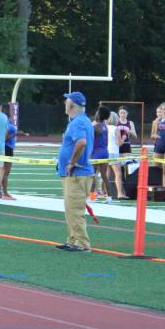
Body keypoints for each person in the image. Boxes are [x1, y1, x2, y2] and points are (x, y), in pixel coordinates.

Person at [56, 92, 95, 252]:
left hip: (77, 174)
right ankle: (73, 239)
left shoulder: (78, 122)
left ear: (72, 105)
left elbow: (81, 142)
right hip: (75, 174)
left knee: (75, 210)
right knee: (71, 209)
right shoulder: (81, 121)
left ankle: (82, 243)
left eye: (66, 102)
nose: (65, 104)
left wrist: (72, 162)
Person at [90, 106, 111, 198]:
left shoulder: (95, 127)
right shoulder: (105, 126)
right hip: (105, 151)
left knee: (92, 175)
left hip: (96, 152)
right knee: (104, 176)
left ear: (99, 115)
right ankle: (109, 197)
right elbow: (106, 142)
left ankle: (92, 197)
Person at [107, 111, 125, 201]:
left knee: (106, 174)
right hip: (113, 152)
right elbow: (119, 143)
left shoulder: (105, 127)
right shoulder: (116, 129)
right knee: (118, 173)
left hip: (105, 152)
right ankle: (120, 193)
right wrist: (123, 138)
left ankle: (105, 192)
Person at [1, 116, 18, 199]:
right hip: (7, 148)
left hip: (4, 148)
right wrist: (16, 134)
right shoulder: (7, 125)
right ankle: (5, 193)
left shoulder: (1, 124)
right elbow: (5, 138)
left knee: (1, 171)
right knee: (5, 172)